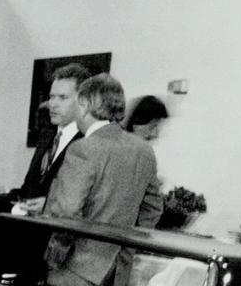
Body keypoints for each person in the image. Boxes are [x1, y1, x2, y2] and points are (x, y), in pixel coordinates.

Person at [45, 74, 163, 228]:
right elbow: (152, 209)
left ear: (85, 105)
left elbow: (66, 211)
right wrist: (129, 247)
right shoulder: (144, 150)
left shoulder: (82, 149)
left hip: (81, 250)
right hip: (123, 250)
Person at [13, 63, 92, 211]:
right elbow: (26, 193)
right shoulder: (46, 137)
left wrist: (48, 206)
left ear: (83, 101)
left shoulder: (87, 141)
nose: (53, 104)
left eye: (62, 98)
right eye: (51, 97)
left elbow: (88, 202)